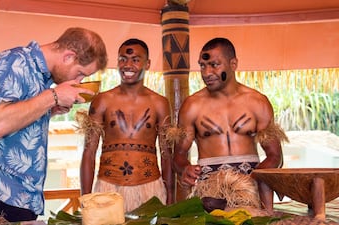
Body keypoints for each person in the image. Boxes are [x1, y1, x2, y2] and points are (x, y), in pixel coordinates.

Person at [0, 27, 108, 222]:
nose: (79, 81)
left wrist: (48, 111)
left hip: (20, 196)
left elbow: (15, 121)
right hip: (2, 192)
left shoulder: (40, 76)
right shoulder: (16, 61)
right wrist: (53, 96)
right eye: (80, 73)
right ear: (68, 57)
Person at [173, 37, 287, 213]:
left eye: (214, 65)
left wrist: (253, 179)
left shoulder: (257, 102)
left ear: (233, 64)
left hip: (250, 190)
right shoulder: (192, 106)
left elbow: (275, 156)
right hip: (210, 192)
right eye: (202, 66)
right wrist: (185, 169)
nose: (206, 73)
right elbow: (178, 156)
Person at [80, 38, 175, 212]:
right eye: (122, 59)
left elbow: (166, 154)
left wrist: (170, 197)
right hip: (108, 189)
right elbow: (89, 152)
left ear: (147, 64)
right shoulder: (102, 101)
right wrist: (85, 198)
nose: (127, 65)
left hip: (150, 190)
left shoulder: (159, 103)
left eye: (135, 60)